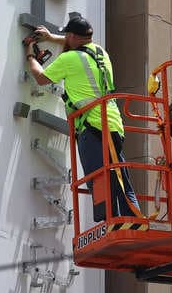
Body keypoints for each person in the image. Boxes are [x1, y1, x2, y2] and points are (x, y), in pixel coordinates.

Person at [25, 16, 140, 222]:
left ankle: (111, 223)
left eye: (67, 35)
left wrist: (30, 57)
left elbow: (41, 78)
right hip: (113, 123)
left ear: (71, 36)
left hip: (90, 125)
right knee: (120, 178)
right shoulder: (101, 53)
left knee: (99, 179)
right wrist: (52, 37)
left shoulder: (68, 59)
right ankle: (134, 219)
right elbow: (80, 45)